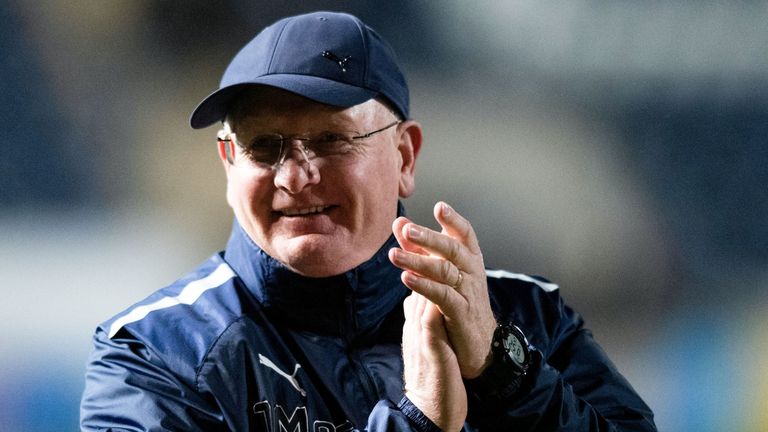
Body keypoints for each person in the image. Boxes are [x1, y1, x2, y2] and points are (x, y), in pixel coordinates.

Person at [80, 11, 656, 432]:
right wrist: (418, 421)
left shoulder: (527, 319)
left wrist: (504, 372)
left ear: (404, 157)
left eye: (331, 141)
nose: (294, 176)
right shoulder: (154, 354)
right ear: (229, 163)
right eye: (264, 147)